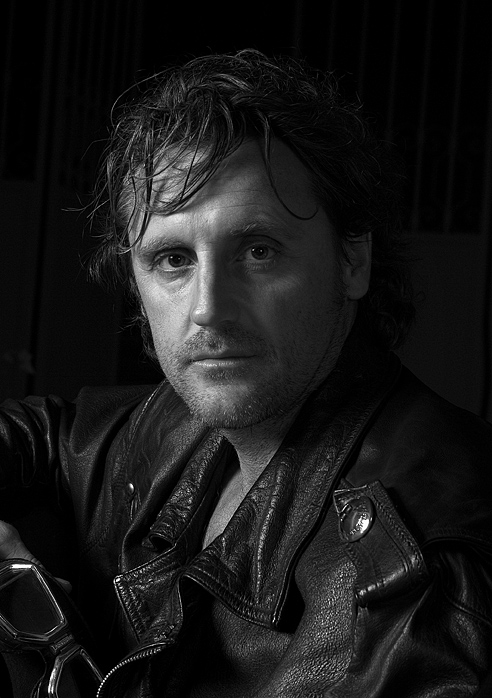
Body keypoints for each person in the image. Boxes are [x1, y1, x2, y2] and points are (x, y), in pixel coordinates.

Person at [0, 49, 491, 697]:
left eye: (258, 251)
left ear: (352, 261)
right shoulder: (178, 422)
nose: (208, 309)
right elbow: (39, 433)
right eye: (173, 259)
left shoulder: (422, 572)